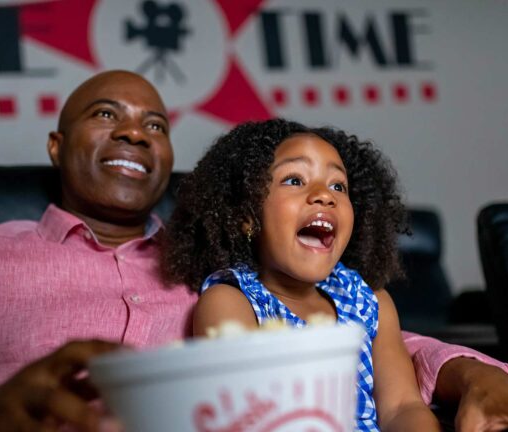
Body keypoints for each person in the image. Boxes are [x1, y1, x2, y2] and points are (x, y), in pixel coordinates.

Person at [0, 71, 508, 432]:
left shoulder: (231, 273)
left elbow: (380, 343)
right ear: (56, 144)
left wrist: (481, 375)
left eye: (155, 124)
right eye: (107, 115)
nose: (134, 132)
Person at [162, 119, 440, 430]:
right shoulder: (230, 303)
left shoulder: (370, 302)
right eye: (295, 180)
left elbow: (402, 407)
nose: (324, 195)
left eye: (338, 185)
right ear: (246, 216)